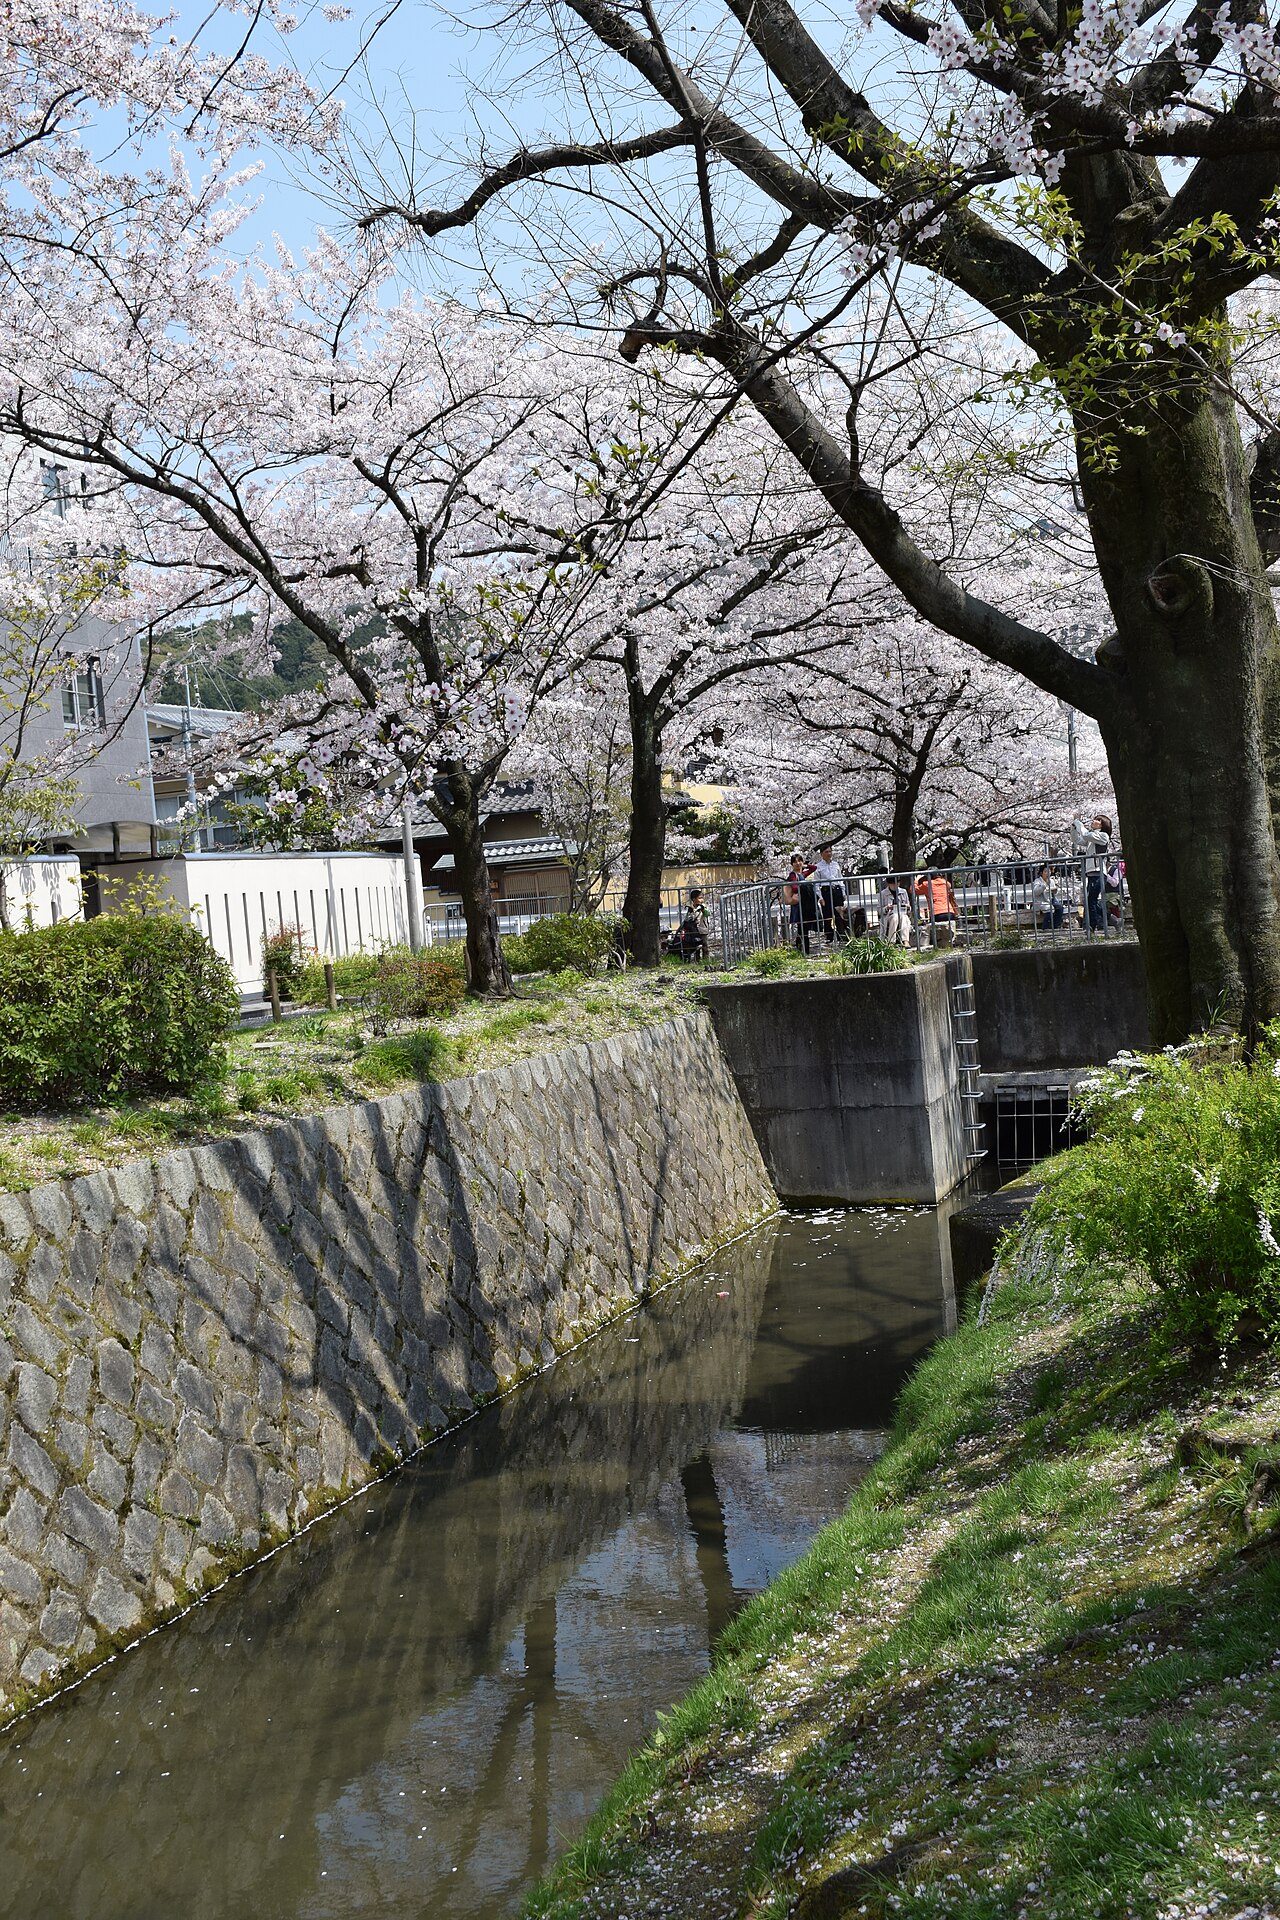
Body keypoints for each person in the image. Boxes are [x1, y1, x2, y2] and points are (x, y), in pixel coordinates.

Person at [1072, 813, 1111, 932]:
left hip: (1099, 872)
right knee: (1090, 900)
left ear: (1102, 824)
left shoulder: (1103, 836)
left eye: (1097, 820)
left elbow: (1085, 834)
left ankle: (1092, 926)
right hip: (1091, 873)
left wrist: (1078, 822)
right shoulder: (1091, 838)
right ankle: (1112, 919)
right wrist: (1074, 827)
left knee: (1091, 900)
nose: (1093, 821)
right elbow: (1077, 839)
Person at [783, 850, 821, 953]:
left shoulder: (802, 874)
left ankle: (801, 948)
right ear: (792, 864)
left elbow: (814, 868)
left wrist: (804, 866)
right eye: (795, 862)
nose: (797, 863)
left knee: (803, 927)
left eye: (799, 861)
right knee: (802, 927)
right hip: (799, 904)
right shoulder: (793, 875)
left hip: (805, 904)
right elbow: (794, 887)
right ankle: (804, 949)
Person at [812, 841, 849, 942]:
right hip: (826, 891)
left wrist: (843, 893)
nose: (829, 853)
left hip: (836, 890)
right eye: (826, 852)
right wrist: (820, 897)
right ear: (822, 854)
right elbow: (816, 884)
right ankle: (829, 937)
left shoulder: (836, 865)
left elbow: (840, 879)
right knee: (827, 915)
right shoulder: (818, 867)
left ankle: (842, 935)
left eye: (830, 851)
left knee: (839, 914)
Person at [914, 869, 960, 947]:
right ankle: (950, 942)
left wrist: (916, 880)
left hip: (936, 913)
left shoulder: (927, 884)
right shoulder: (946, 883)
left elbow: (914, 890)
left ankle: (937, 944)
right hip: (950, 912)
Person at [674, 887, 710, 961]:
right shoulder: (690, 908)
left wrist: (703, 909)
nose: (702, 900)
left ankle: (706, 961)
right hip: (693, 931)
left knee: (705, 946)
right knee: (696, 946)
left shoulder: (704, 907)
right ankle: (698, 960)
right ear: (694, 899)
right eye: (700, 898)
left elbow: (707, 914)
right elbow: (688, 919)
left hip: (703, 930)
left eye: (702, 898)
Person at [878, 874, 913, 946]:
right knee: (895, 917)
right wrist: (887, 908)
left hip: (902, 914)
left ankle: (905, 940)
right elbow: (879, 910)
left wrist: (907, 907)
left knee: (904, 917)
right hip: (889, 916)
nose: (895, 886)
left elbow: (909, 908)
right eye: (893, 884)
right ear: (889, 884)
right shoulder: (883, 894)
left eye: (897, 883)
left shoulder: (903, 892)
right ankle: (891, 941)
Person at [1032, 863, 1065, 931]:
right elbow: (1036, 892)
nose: (1047, 873)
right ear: (1041, 873)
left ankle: (1056, 926)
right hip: (1041, 901)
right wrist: (1044, 885)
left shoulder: (1051, 881)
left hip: (1050, 898)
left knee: (1060, 907)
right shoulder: (1037, 881)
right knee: (1050, 909)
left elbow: (1055, 892)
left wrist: (1055, 890)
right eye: (1045, 871)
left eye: (1049, 871)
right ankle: (1046, 928)